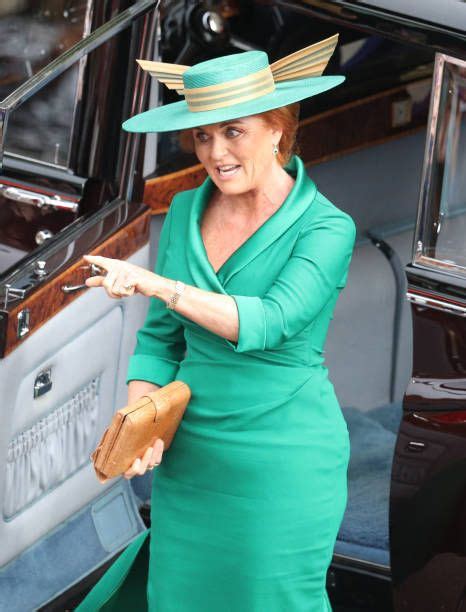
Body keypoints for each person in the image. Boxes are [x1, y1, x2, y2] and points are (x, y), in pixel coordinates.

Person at [76, 32, 357, 611]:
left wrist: (158, 285)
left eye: (234, 131)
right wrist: (144, 420)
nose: (215, 152)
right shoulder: (184, 211)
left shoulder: (328, 228)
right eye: (203, 135)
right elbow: (158, 340)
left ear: (278, 127)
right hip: (193, 462)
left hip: (281, 461)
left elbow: (269, 321)